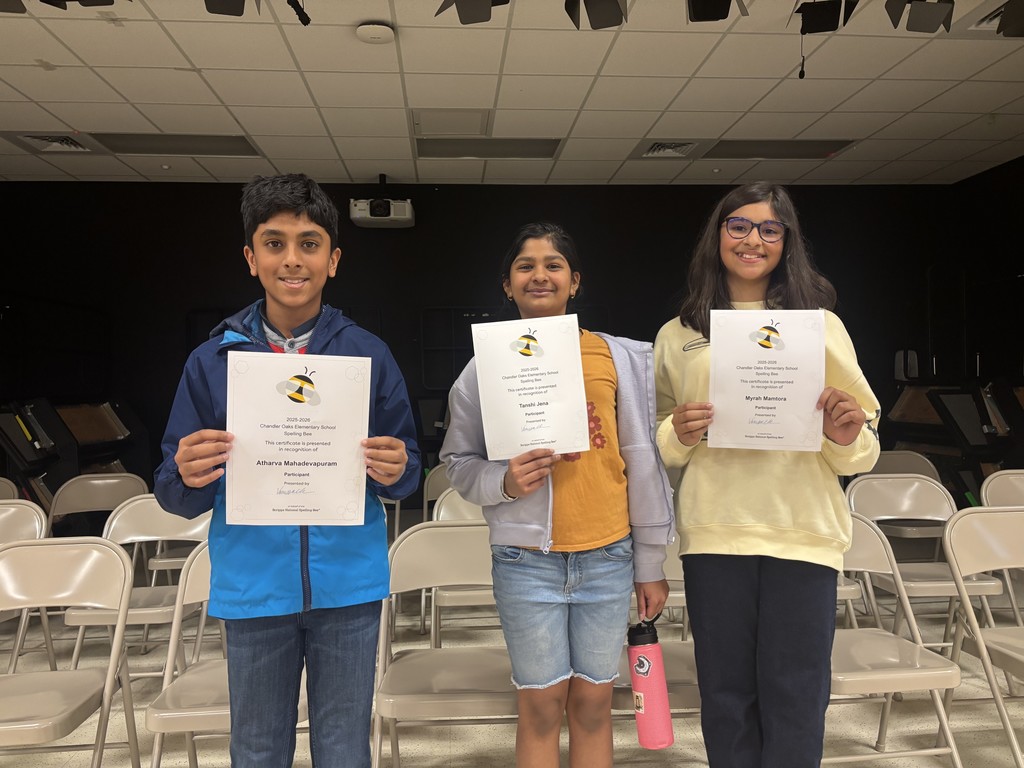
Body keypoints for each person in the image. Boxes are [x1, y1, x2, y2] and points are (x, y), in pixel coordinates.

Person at [153, 173, 420, 768]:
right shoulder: (213, 360)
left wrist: (397, 468)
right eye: (274, 243)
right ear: (251, 258)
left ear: (333, 260)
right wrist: (187, 474)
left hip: (348, 584)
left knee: (344, 746)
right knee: (256, 747)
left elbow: (408, 472)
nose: (292, 259)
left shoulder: (367, 354)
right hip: (254, 585)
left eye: (309, 244)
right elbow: (172, 489)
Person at [654, 181, 880, 768]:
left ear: (786, 241)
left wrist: (844, 434)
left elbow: (862, 443)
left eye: (769, 229)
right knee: (725, 695)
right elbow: (660, 441)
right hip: (716, 530)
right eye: (739, 226)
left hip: (802, 529)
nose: (752, 240)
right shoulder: (678, 334)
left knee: (797, 695)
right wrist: (679, 432)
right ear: (717, 235)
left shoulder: (820, 326)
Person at [440, 222, 676, 768]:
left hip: (608, 556)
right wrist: (503, 482)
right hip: (527, 563)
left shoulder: (617, 357)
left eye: (553, 265)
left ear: (575, 281)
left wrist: (649, 562)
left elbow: (641, 463)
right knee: (542, 707)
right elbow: (457, 462)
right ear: (507, 284)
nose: (540, 275)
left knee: (594, 706)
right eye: (525, 266)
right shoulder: (484, 366)